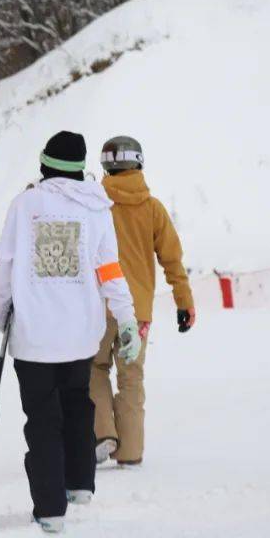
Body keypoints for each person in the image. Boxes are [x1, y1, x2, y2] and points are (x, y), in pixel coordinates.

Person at [0, 131, 141, 534]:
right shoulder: (97, 208)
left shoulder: (24, 206)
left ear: (45, 164)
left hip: (34, 339)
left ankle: (51, 509)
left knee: (42, 420)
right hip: (80, 336)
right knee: (77, 407)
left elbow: (3, 268)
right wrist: (125, 318)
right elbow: (109, 271)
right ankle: (79, 485)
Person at [91, 136, 194, 467]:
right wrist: (184, 302)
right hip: (138, 314)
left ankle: (103, 432)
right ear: (139, 163)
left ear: (105, 165)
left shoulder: (94, 203)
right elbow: (172, 260)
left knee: (93, 368)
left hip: (97, 305)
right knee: (131, 377)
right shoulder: (153, 208)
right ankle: (131, 452)